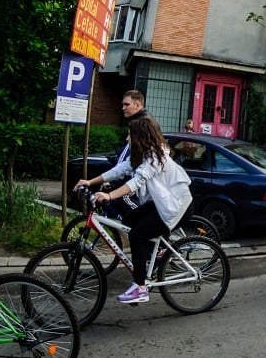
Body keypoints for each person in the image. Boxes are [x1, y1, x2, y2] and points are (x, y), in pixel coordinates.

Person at [74, 116, 193, 304]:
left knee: (137, 235)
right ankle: (156, 253)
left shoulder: (155, 156)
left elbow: (137, 182)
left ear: (140, 136)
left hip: (176, 206)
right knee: (129, 221)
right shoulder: (142, 155)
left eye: (130, 134)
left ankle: (140, 287)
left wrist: (110, 196)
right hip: (163, 203)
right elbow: (119, 170)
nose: (127, 138)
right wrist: (90, 181)